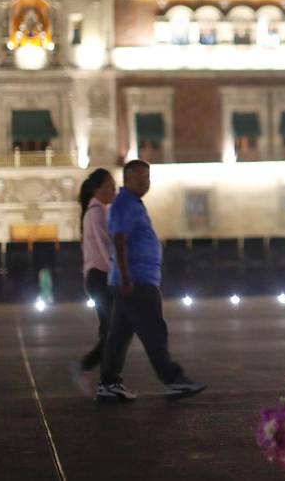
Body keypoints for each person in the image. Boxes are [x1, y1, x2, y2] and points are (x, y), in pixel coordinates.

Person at [97, 160, 205, 402]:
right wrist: (126, 277)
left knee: (119, 334)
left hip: (131, 279)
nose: (147, 182)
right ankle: (173, 380)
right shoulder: (125, 204)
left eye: (148, 177)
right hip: (136, 281)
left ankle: (109, 383)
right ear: (128, 179)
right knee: (153, 330)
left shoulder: (132, 204)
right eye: (141, 178)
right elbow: (119, 240)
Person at [69, 168, 116, 393]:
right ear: (97, 189)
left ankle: (107, 379)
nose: (113, 190)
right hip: (101, 275)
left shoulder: (96, 211)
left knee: (110, 328)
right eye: (108, 185)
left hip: (97, 276)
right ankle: (87, 367)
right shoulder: (96, 212)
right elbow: (104, 245)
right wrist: (118, 274)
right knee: (113, 329)